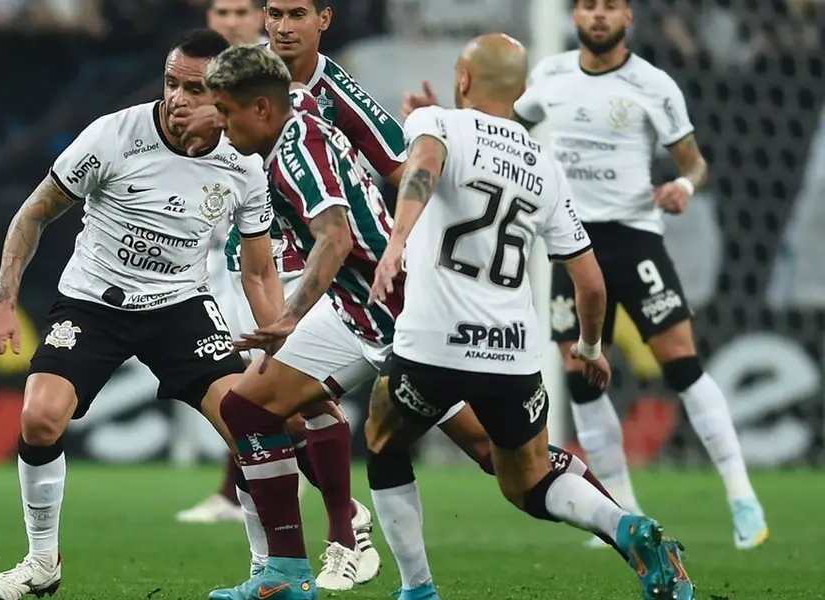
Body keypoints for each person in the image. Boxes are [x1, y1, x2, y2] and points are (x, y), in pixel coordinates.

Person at [202, 44, 630, 600]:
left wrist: (288, 319)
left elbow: (336, 238)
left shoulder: (296, 149)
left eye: (225, 110)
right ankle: (285, 572)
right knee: (248, 408)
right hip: (355, 307)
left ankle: (620, 528)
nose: (219, 122)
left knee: (495, 458)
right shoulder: (300, 115)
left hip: (393, 308)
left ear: (260, 109)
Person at [403, 0, 768, 551]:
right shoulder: (549, 74)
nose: (598, 16)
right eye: (589, 6)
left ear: (629, 18)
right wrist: (453, 119)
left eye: (610, 7)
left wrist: (685, 186)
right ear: (574, 17)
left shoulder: (655, 84)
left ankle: (742, 495)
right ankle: (621, 508)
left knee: (682, 365)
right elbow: (500, 129)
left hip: (633, 237)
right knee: (579, 377)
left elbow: (693, 160)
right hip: (567, 240)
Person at [369, 32, 694, 600]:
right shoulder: (542, 164)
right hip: (513, 358)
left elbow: (422, 166)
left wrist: (397, 243)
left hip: (434, 347)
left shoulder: (439, 124)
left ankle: (417, 588)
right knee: (529, 478)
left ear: (463, 79)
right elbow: (590, 282)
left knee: (381, 435)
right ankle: (623, 525)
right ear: (520, 91)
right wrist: (590, 348)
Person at [0, 29, 286, 600]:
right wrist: (2, 301)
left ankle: (270, 573)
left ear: (224, 95)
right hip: (95, 300)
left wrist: (282, 344)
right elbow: (33, 214)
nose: (178, 98)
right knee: (40, 417)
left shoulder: (242, 162)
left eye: (196, 88)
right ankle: (42, 562)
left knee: (250, 426)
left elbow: (260, 272)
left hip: (180, 306)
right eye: (171, 82)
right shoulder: (113, 136)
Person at [177, 1, 405, 585]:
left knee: (288, 400)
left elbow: (398, 164)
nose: (277, 24)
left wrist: (404, 244)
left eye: (289, 13)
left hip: (317, 269)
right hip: (241, 259)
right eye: (270, 13)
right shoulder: (232, 89)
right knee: (259, 402)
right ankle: (307, 541)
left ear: (321, 20)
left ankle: (338, 529)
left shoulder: (324, 95)